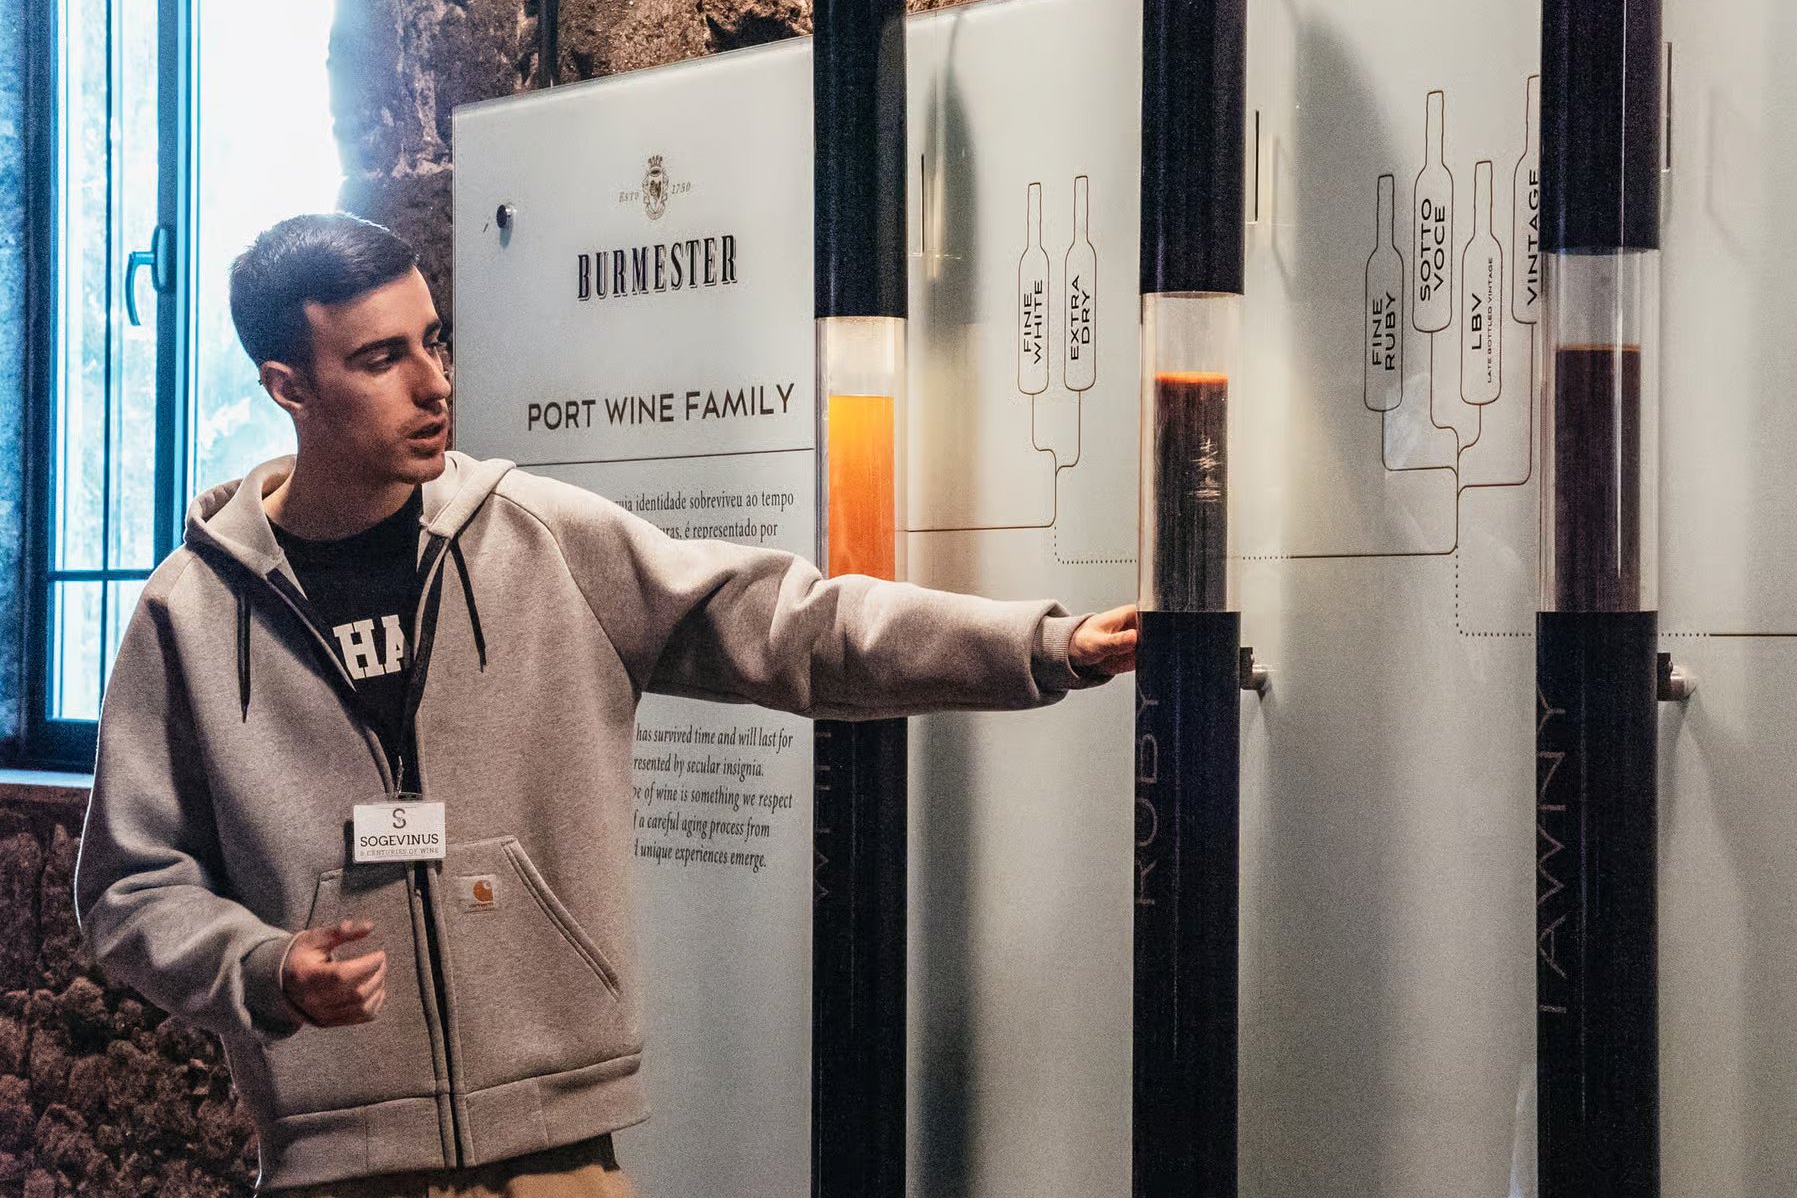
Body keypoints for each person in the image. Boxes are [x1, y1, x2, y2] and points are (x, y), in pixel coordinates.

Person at [72, 212, 1138, 1197]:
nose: (434, 384)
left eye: (435, 341)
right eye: (381, 358)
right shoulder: (192, 614)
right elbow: (130, 888)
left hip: (563, 1157)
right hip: (338, 1162)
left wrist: (1042, 646)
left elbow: (795, 627)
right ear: (288, 387)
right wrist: (263, 969)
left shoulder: (539, 538)